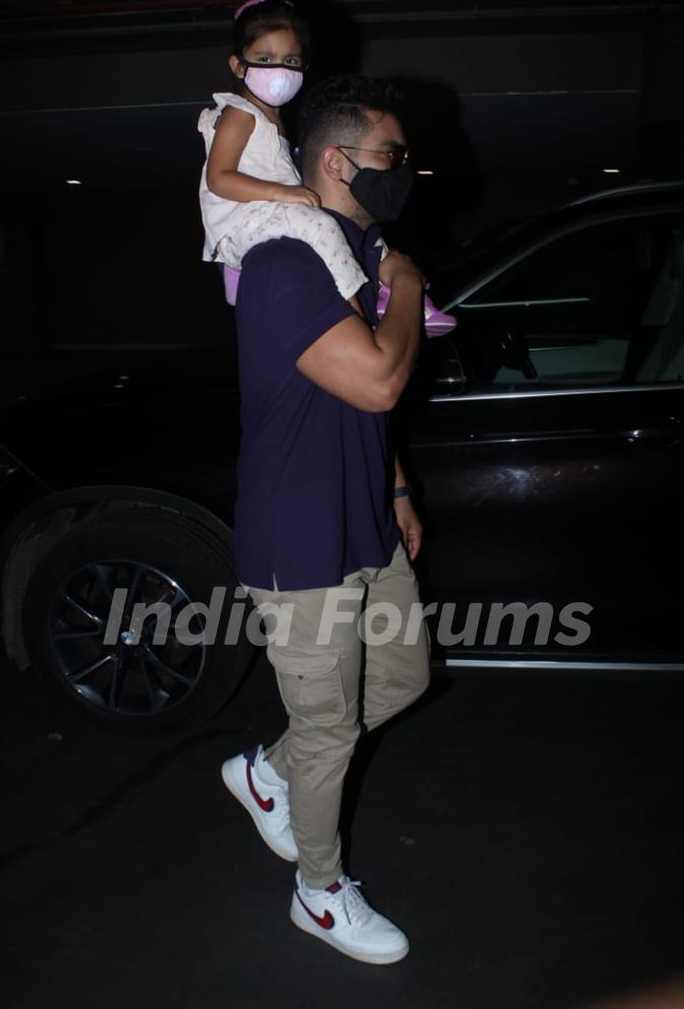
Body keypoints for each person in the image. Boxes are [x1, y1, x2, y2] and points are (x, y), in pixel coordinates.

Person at [220, 73, 431, 966]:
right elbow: (381, 378)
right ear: (338, 160)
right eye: (392, 156)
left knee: (405, 677)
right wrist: (410, 283)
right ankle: (318, 891)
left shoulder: (346, 258)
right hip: (299, 543)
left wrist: (394, 489)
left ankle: (269, 772)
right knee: (330, 729)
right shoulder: (283, 262)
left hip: (362, 523)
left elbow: (364, 410)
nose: (406, 172)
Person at [197, 0, 456, 336]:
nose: (279, 69)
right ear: (238, 66)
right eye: (265, 58)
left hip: (263, 211)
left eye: (290, 59)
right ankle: (353, 315)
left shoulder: (272, 119)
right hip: (242, 216)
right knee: (322, 227)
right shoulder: (239, 113)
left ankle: (393, 292)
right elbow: (218, 179)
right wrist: (284, 192)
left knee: (363, 233)